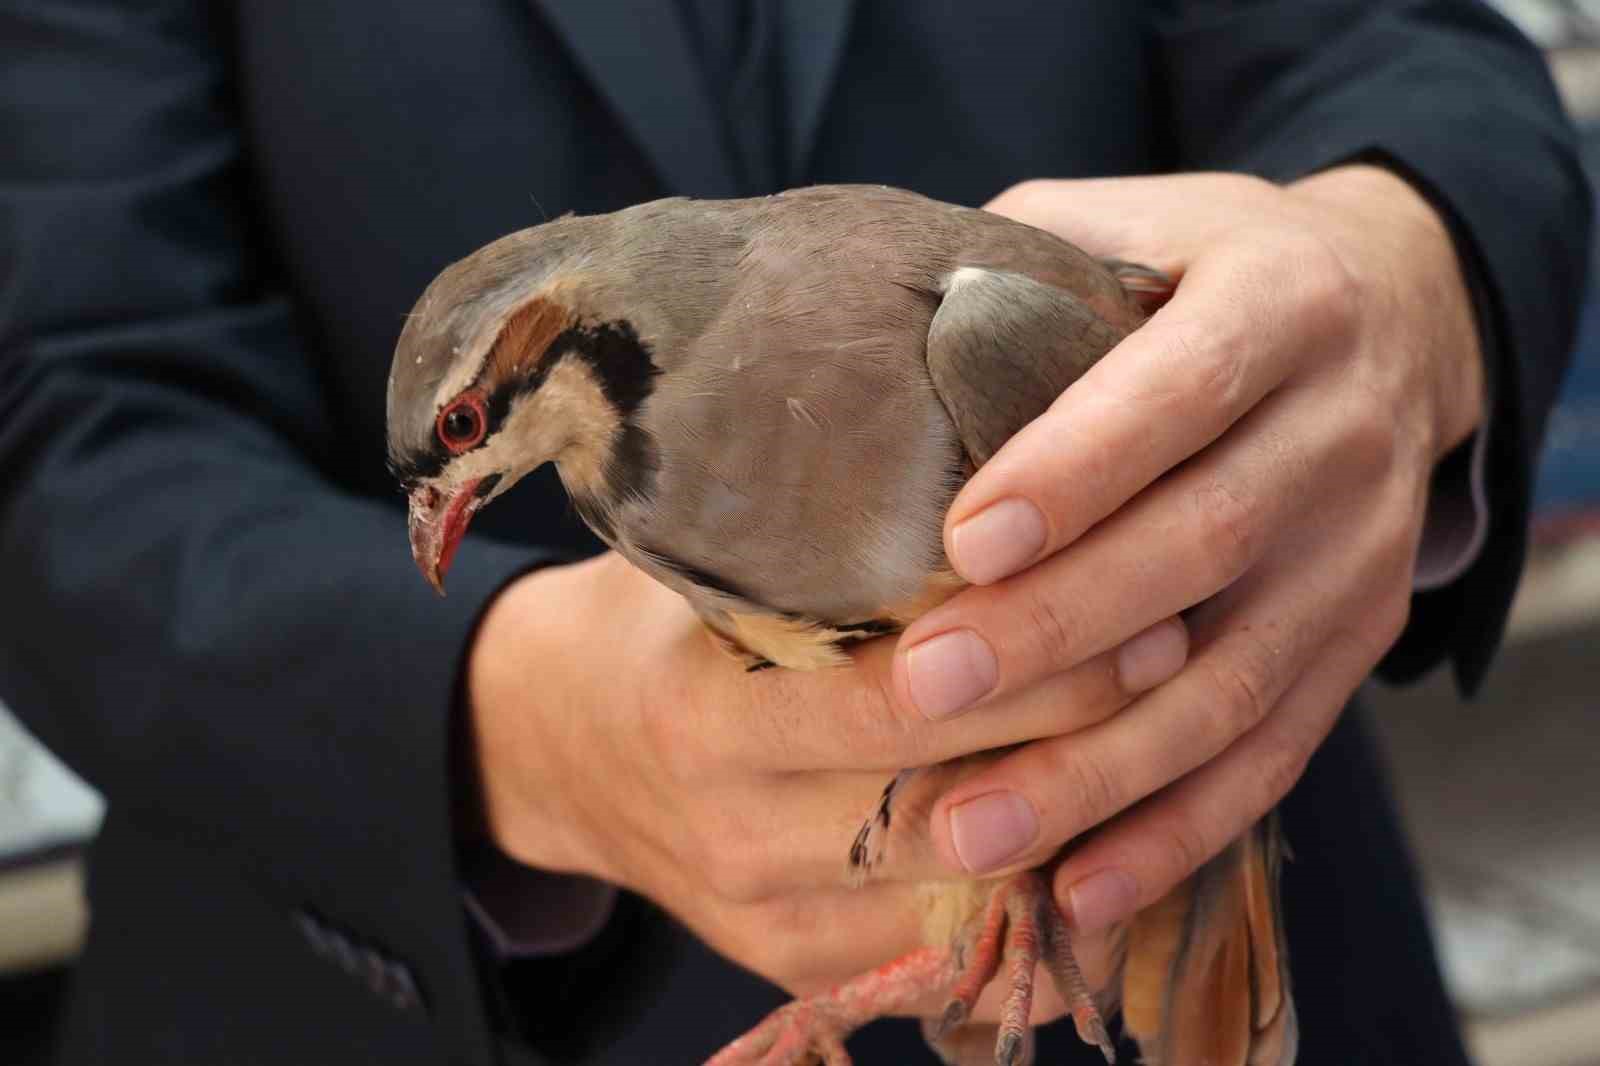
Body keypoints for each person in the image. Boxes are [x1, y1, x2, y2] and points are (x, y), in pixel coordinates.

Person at [0, 2, 1587, 1064]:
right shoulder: (611, 482)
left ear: (559, 339)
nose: (458, 492)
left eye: (473, 441)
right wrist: (514, 722)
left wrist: (1398, 271)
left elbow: (1405, 44)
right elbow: (54, 407)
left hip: (1185, 818)